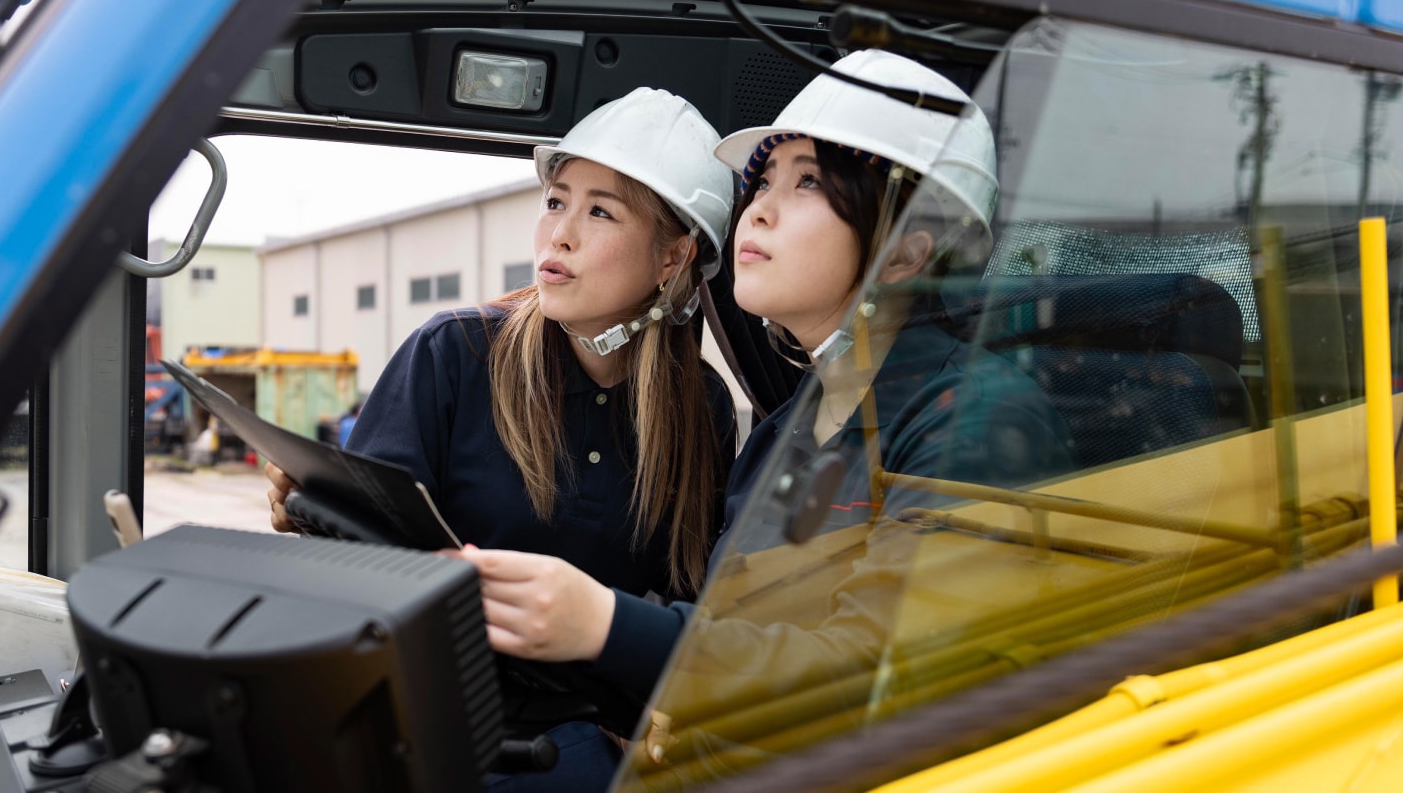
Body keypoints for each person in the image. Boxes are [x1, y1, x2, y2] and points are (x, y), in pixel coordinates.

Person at [449, 51, 1073, 775]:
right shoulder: (784, 432)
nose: (760, 209)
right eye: (763, 181)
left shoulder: (973, 420)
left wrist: (607, 625)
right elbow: (735, 637)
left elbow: (876, 678)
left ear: (904, 252)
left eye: (808, 182)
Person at [265, 87, 741, 789]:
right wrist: (313, 510)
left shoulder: (704, 411)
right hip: (427, 721)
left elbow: (685, 609)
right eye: (557, 200)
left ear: (673, 257)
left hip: (583, 742)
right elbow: (356, 571)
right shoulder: (453, 353)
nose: (559, 234)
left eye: (600, 211)